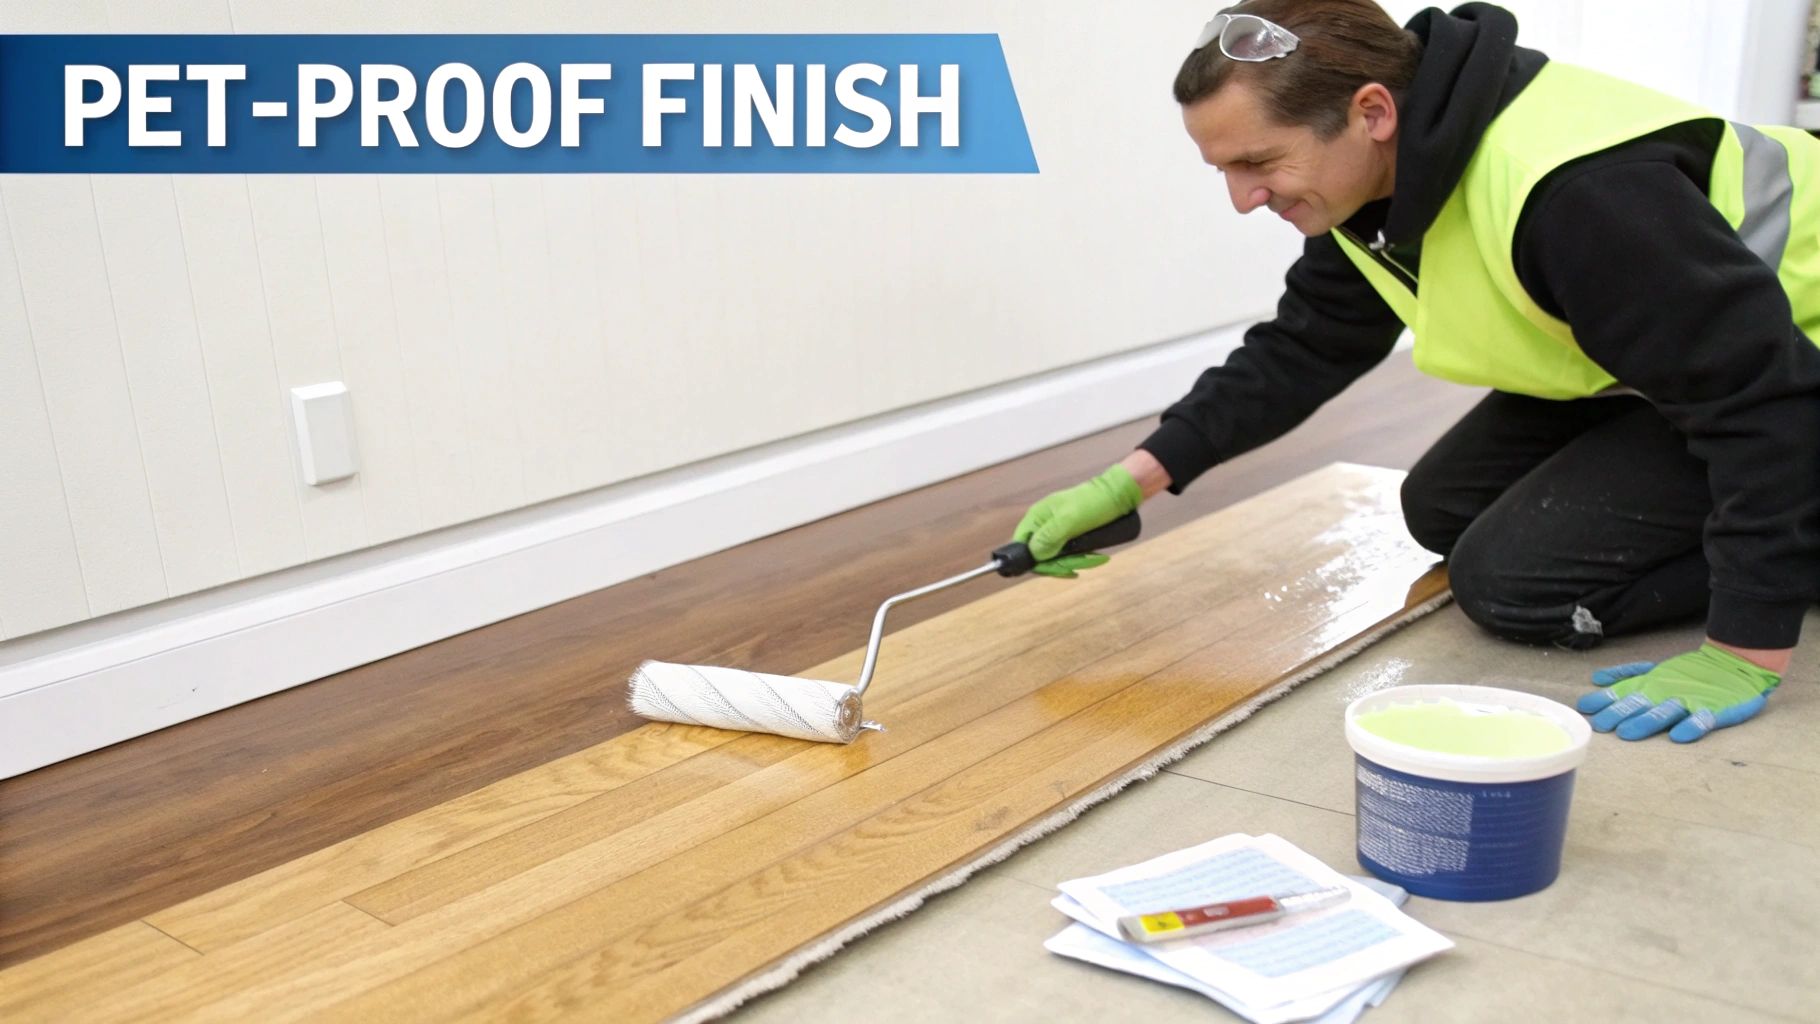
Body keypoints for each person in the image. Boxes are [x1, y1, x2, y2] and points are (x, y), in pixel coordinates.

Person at [1011, 0, 1820, 744]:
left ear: (1372, 111)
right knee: (1440, 509)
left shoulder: (1578, 194)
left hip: (1791, 370)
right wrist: (1133, 482)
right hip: (1677, 364)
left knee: (1510, 585)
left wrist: (1746, 645)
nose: (1243, 198)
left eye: (1257, 161)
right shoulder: (1374, 188)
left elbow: (1765, 403)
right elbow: (1309, 342)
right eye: (1223, 169)